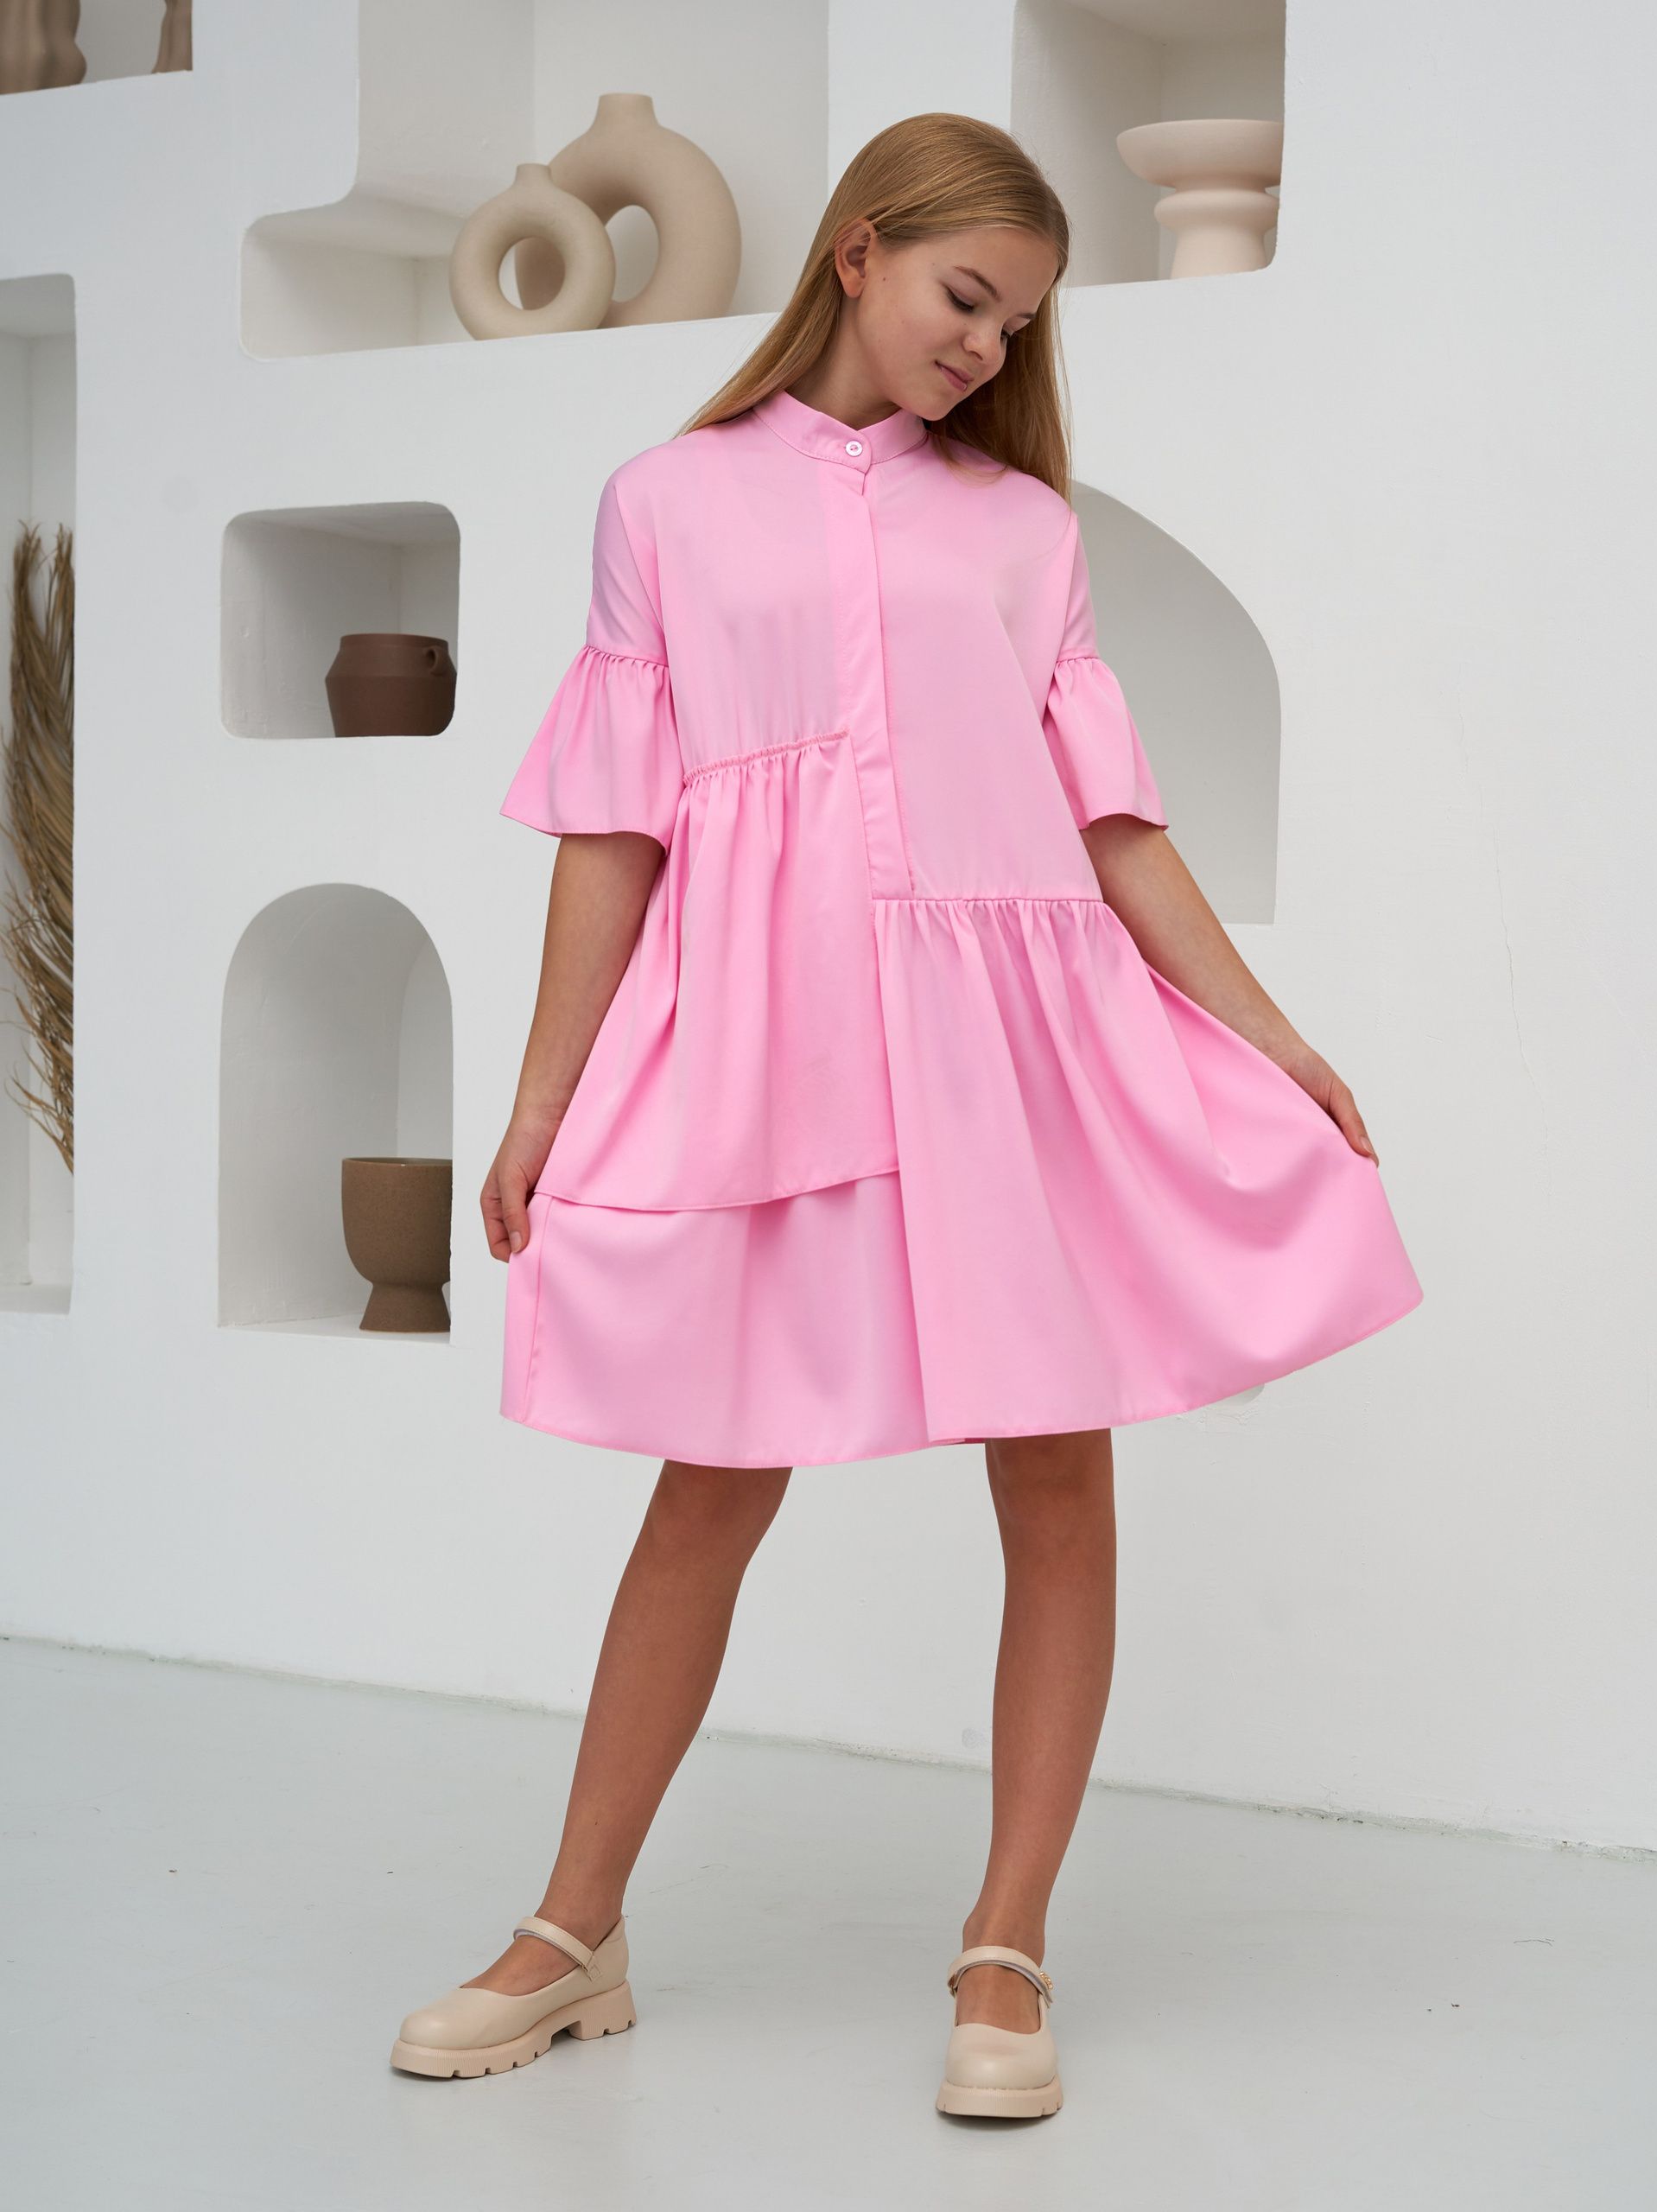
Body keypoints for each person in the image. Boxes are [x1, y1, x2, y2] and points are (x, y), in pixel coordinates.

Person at [390, 113, 1422, 2118]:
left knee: (1057, 1476)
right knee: (713, 1477)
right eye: (967, 295)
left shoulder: (1024, 529)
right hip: (768, 1036)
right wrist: (541, 1093)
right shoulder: (666, 500)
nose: (986, 344)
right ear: (855, 251)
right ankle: (573, 1930)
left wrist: (1275, 1034)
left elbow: (1114, 826)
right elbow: (615, 826)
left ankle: (1005, 1943)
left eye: (1017, 321)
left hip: (1010, 1047)